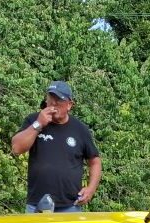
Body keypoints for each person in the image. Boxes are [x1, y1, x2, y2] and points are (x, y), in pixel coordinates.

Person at [11, 82, 101, 213]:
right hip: (36, 206)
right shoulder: (33, 120)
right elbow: (16, 148)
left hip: (70, 206)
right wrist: (39, 124)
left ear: (70, 105)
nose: (53, 104)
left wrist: (91, 189)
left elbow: (95, 161)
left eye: (59, 100)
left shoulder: (80, 129)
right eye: (50, 99)